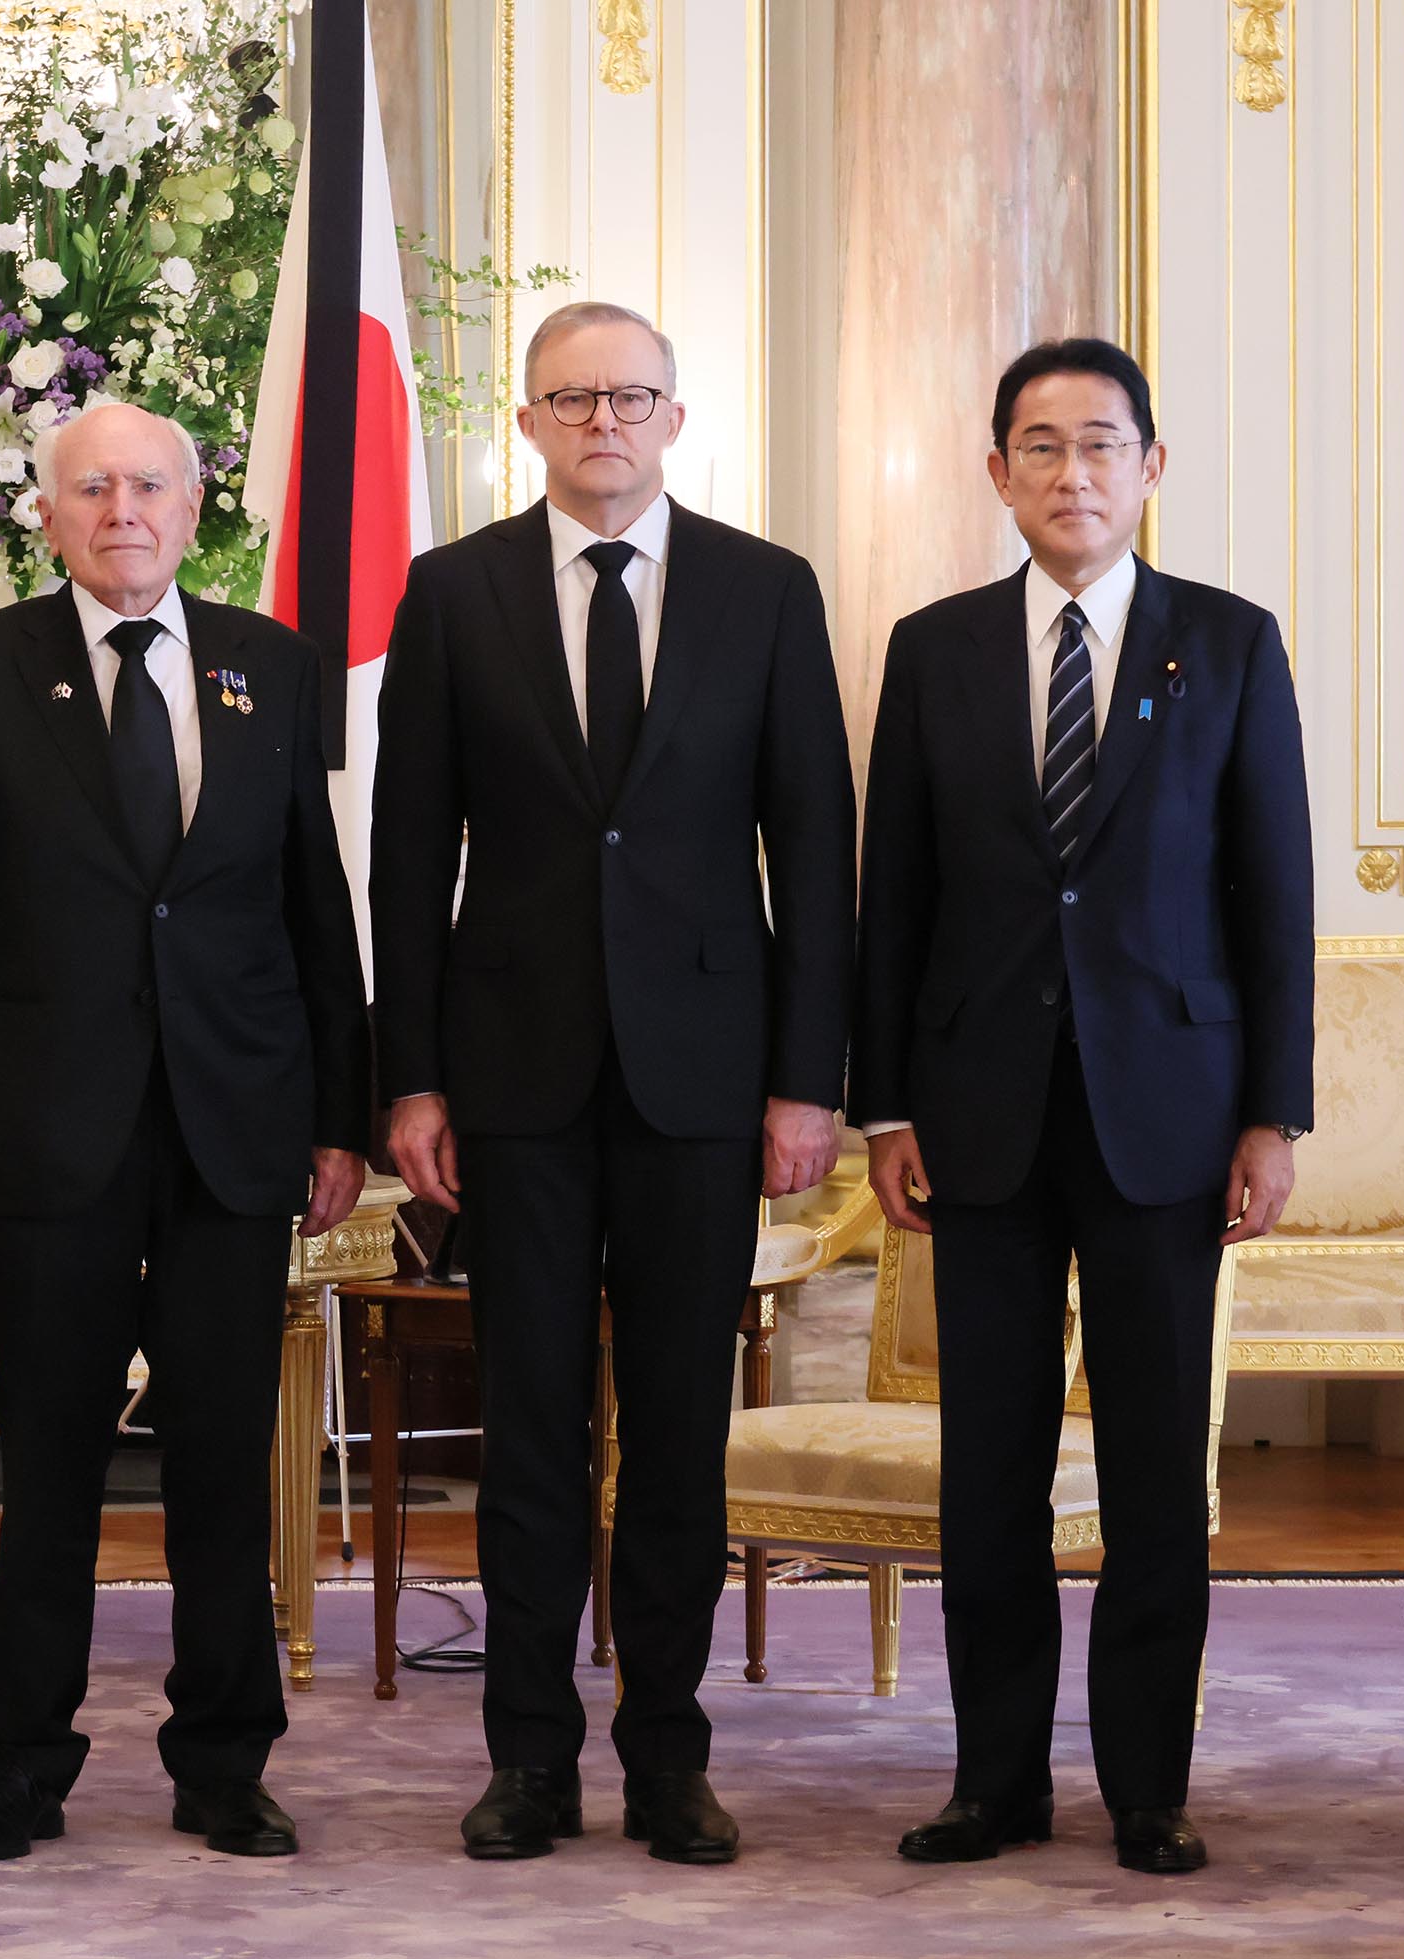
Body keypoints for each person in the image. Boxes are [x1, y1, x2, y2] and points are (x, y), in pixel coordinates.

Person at [371, 300, 857, 1864]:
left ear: (674, 419)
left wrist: (807, 1080)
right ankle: (528, 1759)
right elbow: (406, 856)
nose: (603, 423)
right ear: (526, 423)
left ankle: (667, 1758)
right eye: (573, 399)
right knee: (524, 1434)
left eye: (630, 397)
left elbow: (816, 851)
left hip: (703, 1083)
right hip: (510, 1081)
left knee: (676, 1439)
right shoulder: (452, 592)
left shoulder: (767, 590)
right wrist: (411, 1081)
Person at [0, 401, 369, 1862]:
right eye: (91, 488)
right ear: (47, 516)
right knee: (50, 1465)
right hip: (45, 1132)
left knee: (223, 1460)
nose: (123, 511)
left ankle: (225, 1760)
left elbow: (314, 905)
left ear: (192, 505)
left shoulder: (271, 665)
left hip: (234, 1132)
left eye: (149, 485)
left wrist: (339, 1117)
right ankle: (20, 1766)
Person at [854, 337, 1313, 1876]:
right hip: (978, 1119)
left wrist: (1274, 1116)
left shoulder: (1229, 645)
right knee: (988, 1471)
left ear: (1151, 467)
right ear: (998, 474)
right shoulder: (934, 650)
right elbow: (893, 898)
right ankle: (994, 1784)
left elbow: (1272, 897)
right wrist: (884, 1109)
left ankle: (1146, 1791)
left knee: (1153, 1476)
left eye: (1101, 443)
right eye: (1040, 447)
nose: (1073, 473)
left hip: (1168, 1118)